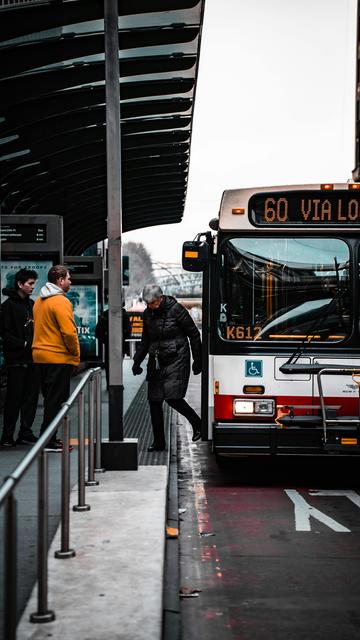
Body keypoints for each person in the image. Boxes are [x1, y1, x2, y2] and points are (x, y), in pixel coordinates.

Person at [132, 284, 202, 452]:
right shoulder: (148, 314)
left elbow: (194, 334)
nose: (151, 306)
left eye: (154, 302)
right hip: (157, 359)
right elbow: (145, 340)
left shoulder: (176, 309)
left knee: (172, 397)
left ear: (161, 298)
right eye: (148, 303)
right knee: (154, 401)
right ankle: (159, 442)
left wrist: (198, 360)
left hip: (177, 358)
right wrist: (137, 361)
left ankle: (198, 424)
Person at [32, 265, 80, 451]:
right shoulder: (60, 302)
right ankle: (49, 440)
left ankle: (48, 437)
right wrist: (75, 355)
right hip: (57, 357)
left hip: (40, 357)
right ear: (60, 281)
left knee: (49, 399)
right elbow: (69, 333)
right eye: (68, 278)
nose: (70, 281)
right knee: (57, 401)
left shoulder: (39, 301)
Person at [0, 268, 40, 447]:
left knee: (30, 398)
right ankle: (7, 435)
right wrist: (23, 344)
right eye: (30, 283)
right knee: (14, 399)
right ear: (20, 284)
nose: (33, 287)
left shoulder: (32, 305)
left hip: (32, 359)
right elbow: (4, 333)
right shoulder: (7, 306)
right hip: (16, 360)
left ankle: (25, 431)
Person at [95, 303, 131, 389]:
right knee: (118, 364)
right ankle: (118, 383)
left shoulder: (105, 314)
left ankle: (109, 384)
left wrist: (105, 340)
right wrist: (122, 337)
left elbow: (98, 332)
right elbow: (128, 331)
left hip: (109, 344)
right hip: (119, 344)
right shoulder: (124, 314)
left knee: (108, 365)